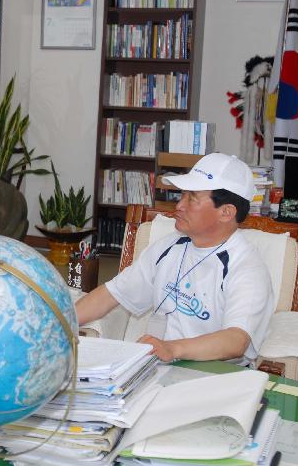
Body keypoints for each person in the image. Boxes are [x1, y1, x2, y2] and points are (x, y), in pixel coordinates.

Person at [75, 153, 274, 365]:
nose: (179, 205)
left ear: (226, 212)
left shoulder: (247, 268)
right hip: (159, 365)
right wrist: (59, 321)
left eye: (192, 198)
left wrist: (172, 348)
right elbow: (111, 294)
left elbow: (236, 340)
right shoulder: (170, 245)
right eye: (182, 195)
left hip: (214, 375)